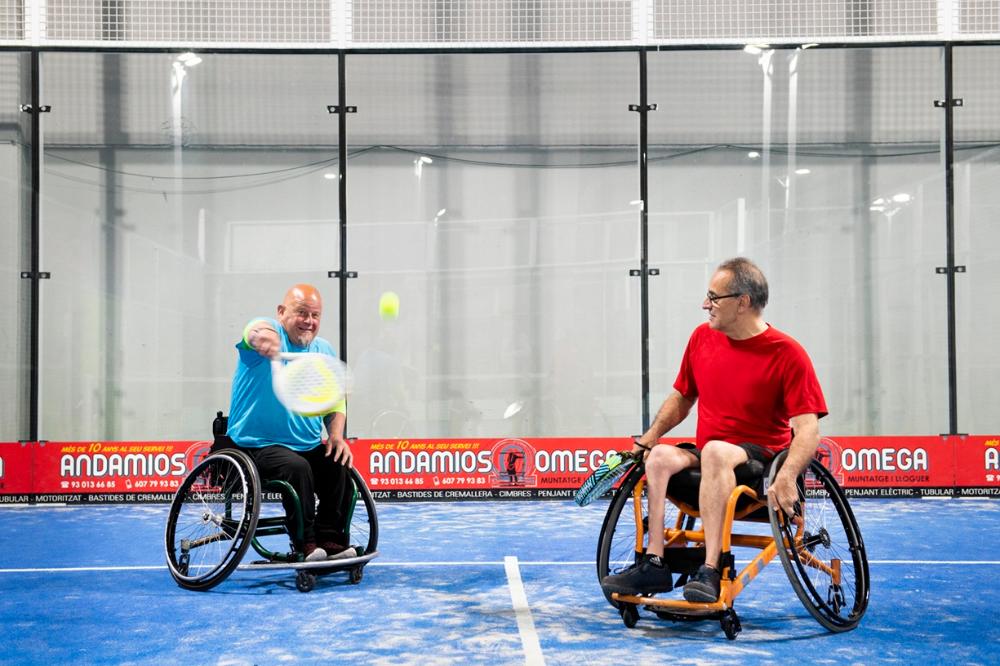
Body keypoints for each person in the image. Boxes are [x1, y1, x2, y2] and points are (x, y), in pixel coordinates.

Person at [601, 257, 827, 602]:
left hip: (760, 460)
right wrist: (648, 439)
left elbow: (807, 429)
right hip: (711, 454)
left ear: (742, 302)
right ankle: (655, 562)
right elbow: (682, 397)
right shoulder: (701, 338)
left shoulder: (788, 354)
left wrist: (787, 476)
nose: (705, 304)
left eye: (713, 297)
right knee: (661, 457)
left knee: (715, 451)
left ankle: (710, 569)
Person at [226, 284, 357, 562]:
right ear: (282, 312)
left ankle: (330, 539)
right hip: (257, 446)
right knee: (296, 468)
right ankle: (306, 544)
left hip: (306, 445)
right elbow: (253, 330)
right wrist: (261, 334)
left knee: (338, 464)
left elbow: (334, 400)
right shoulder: (266, 341)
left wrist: (336, 435)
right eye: (301, 313)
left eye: (315, 315)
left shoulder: (323, 351)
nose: (309, 321)